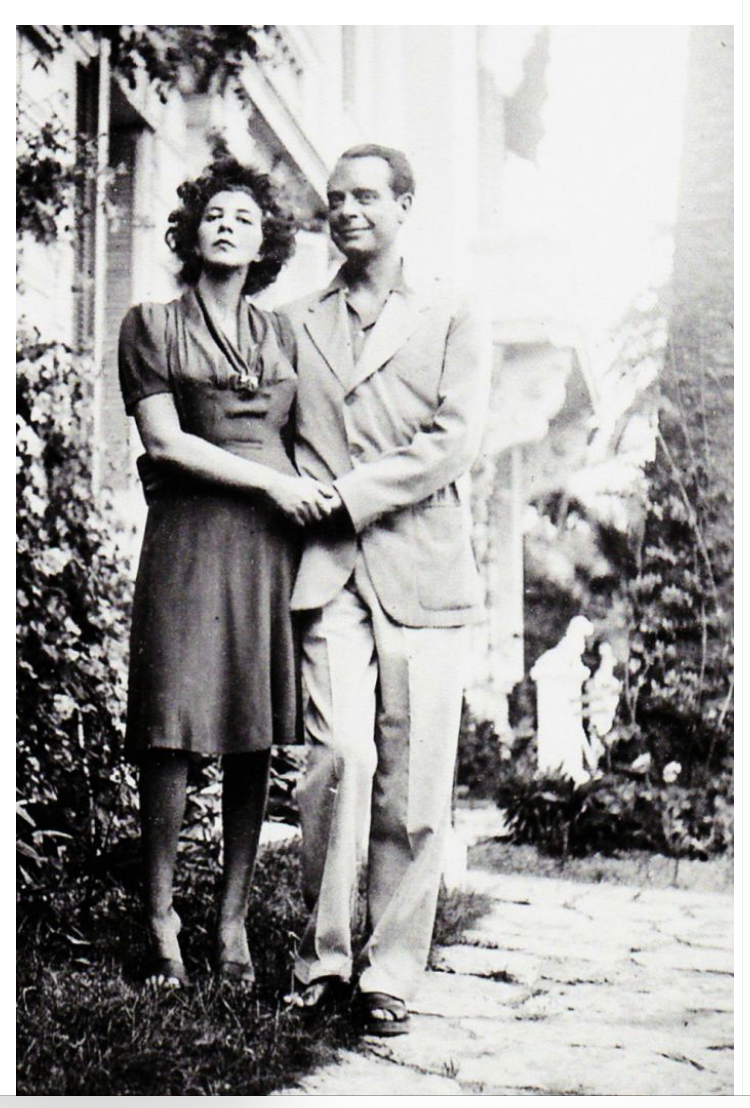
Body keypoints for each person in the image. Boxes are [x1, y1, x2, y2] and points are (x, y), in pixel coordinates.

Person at [277, 144, 491, 1035]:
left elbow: (455, 438)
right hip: (328, 567)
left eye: (366, 195)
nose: (347, 211)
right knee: (340, 757)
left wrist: (350, 493)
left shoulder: (452, 310)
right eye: (335, 198)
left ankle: (390, 972)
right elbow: (277, 434)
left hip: (424, 563)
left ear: (405, 204)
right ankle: (323, 960)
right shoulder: (294, 319)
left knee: (416, 781)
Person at [118, 157, 334, 990]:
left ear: (265, 243)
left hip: (266, 548)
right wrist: (273, 483)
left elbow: (315, 435)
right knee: (171, 727)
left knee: (252, 728)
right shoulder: (152, 324)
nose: (227, 226)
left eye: (245, 218)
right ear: (192, 231)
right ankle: (159, 919)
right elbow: (165, 441)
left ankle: (232, 921)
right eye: (214, 214)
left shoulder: (284, 334)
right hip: (190, 535)